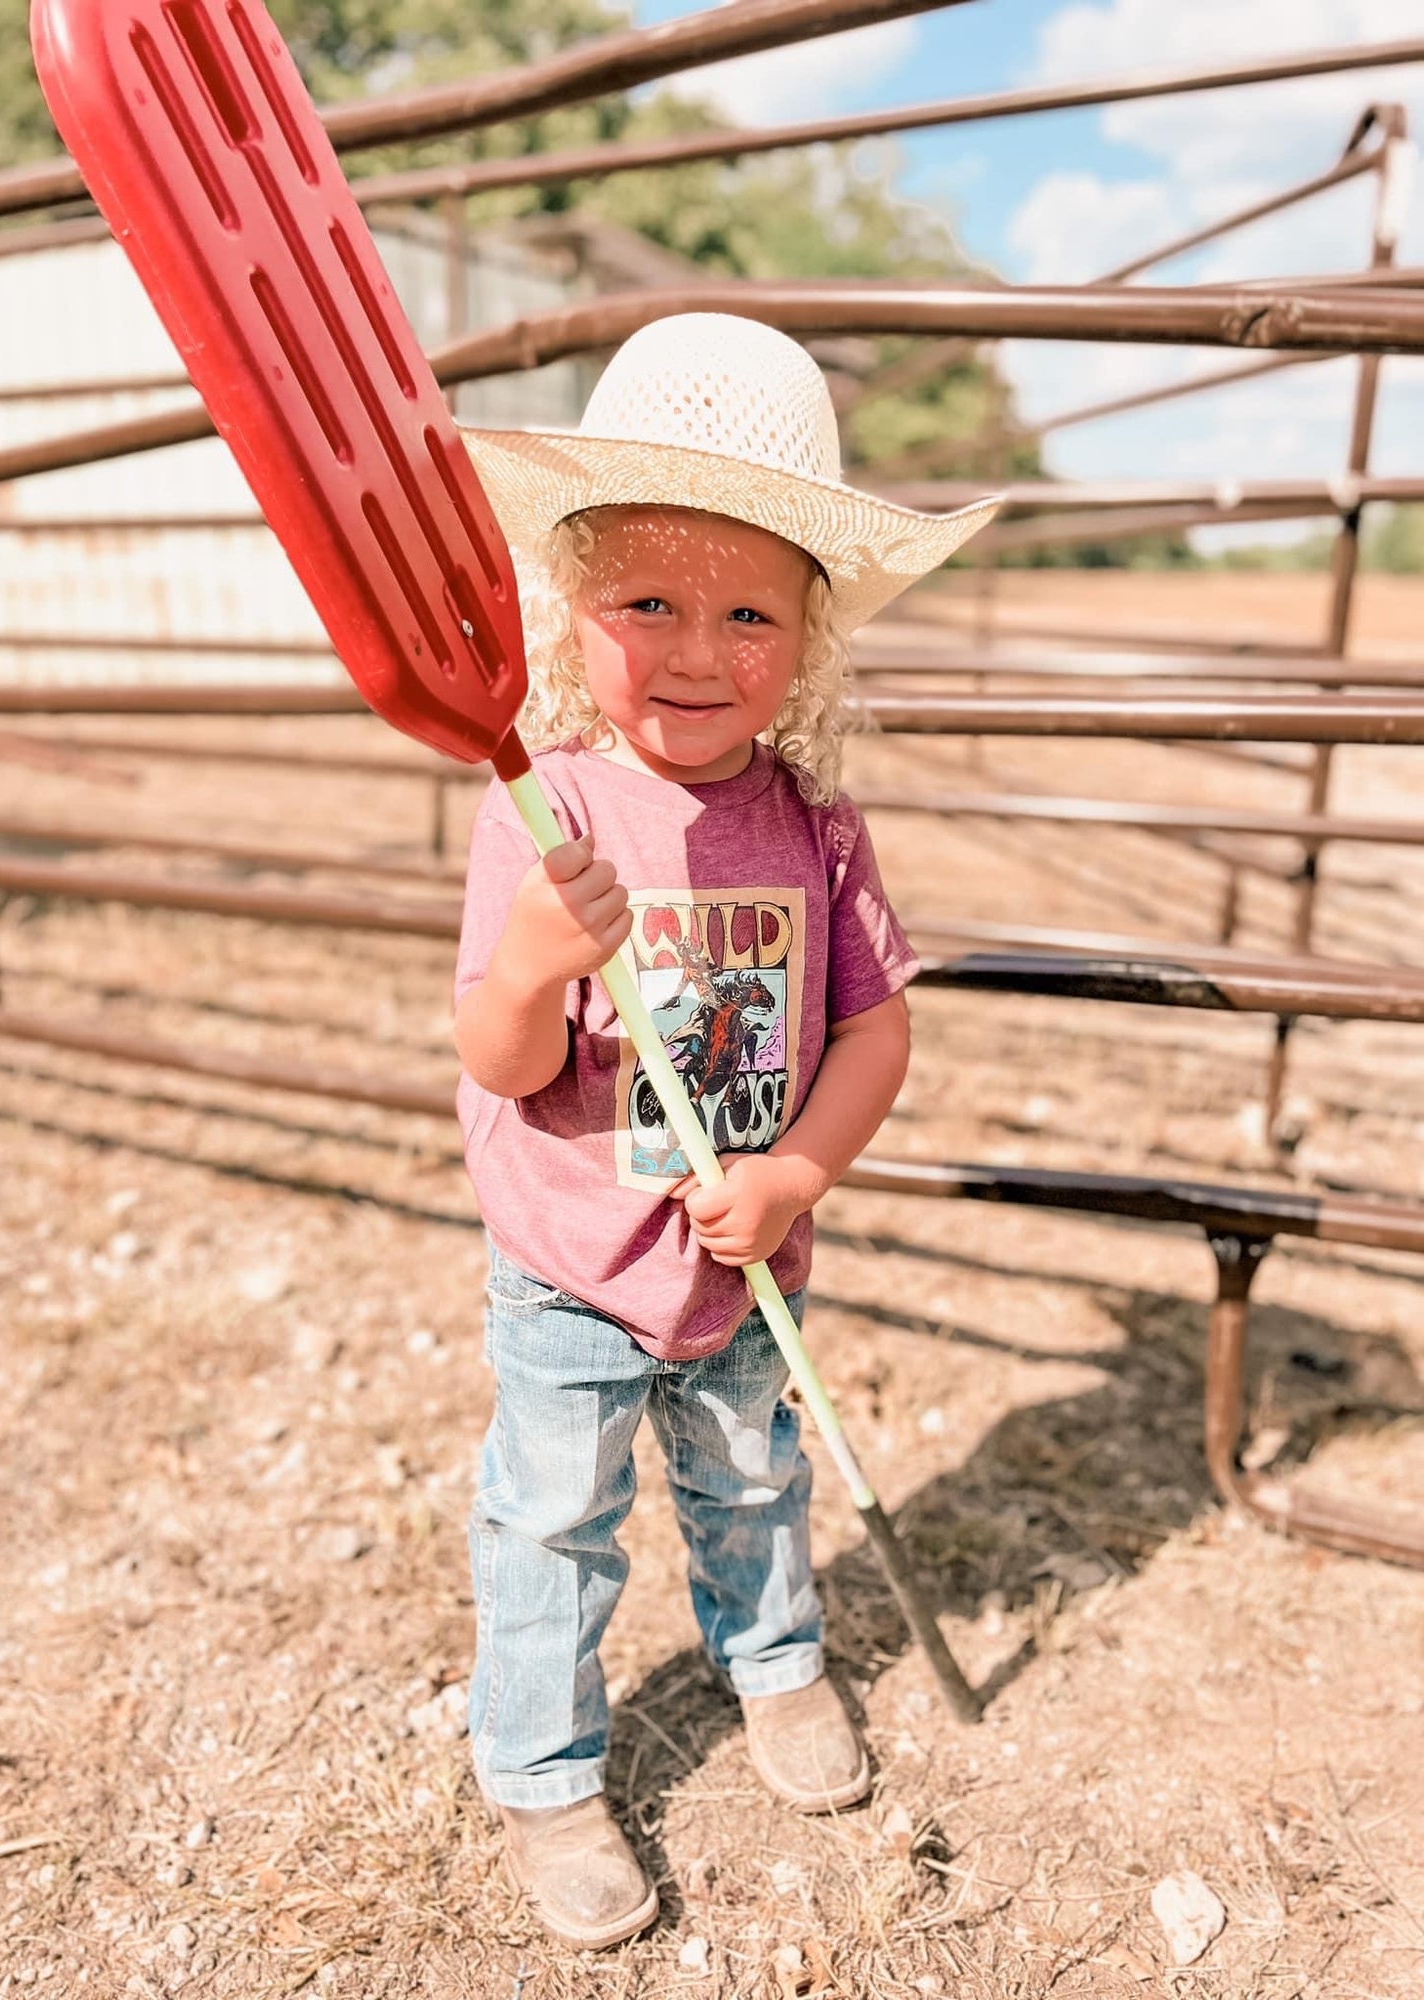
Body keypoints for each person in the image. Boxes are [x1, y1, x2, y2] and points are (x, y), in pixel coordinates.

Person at [454, 314, 995, 1949]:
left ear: (810, 633)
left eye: (750, 610)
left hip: (746, 1256)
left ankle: (777, 1667)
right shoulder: (540, 805)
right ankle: (543, 1769)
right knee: (555, 1513)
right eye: (650, 605)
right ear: (578, 607)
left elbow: (874, 1023)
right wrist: (546, 960)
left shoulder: (817, 826)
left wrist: (798, 1169)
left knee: (755, 1484)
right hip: (571, 1269)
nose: (698, 649)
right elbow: (495, 1050)